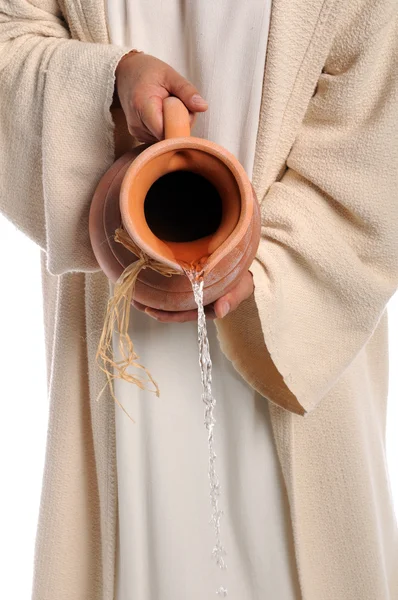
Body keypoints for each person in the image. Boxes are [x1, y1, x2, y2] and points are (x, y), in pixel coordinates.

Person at [0, 1, 397, 600]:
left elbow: (378, 100)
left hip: (285, 318)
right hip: (123, 282)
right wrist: (112, 80)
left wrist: (268, 267)